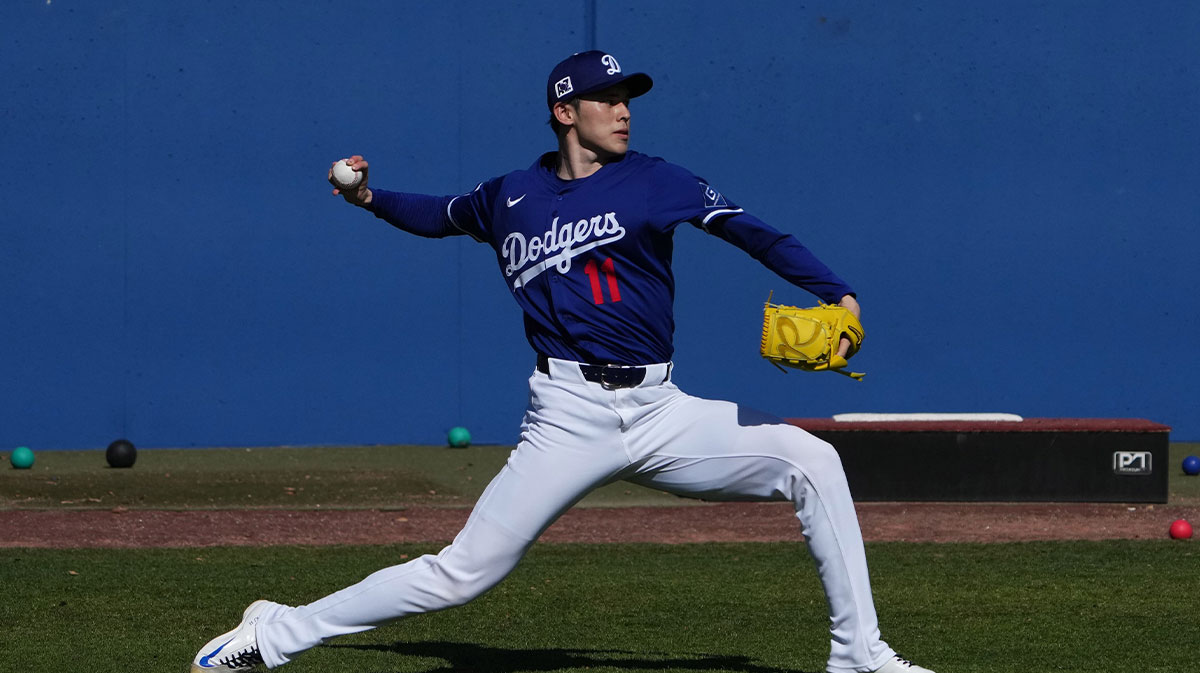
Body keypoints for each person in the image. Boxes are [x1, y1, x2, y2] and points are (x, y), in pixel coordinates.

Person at [190, 50, 937, 673]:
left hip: (661, 409)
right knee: (463, 572)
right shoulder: (509, 197)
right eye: (605, 98)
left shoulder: (657, 179)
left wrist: (837, 293)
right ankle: (276, 631)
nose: (623, 109)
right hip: (567, 415)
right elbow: (440, 213)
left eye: (627, 98)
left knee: (813, 462)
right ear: (563, 111)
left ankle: (858, 654)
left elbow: (755, 234)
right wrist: (370, 198)